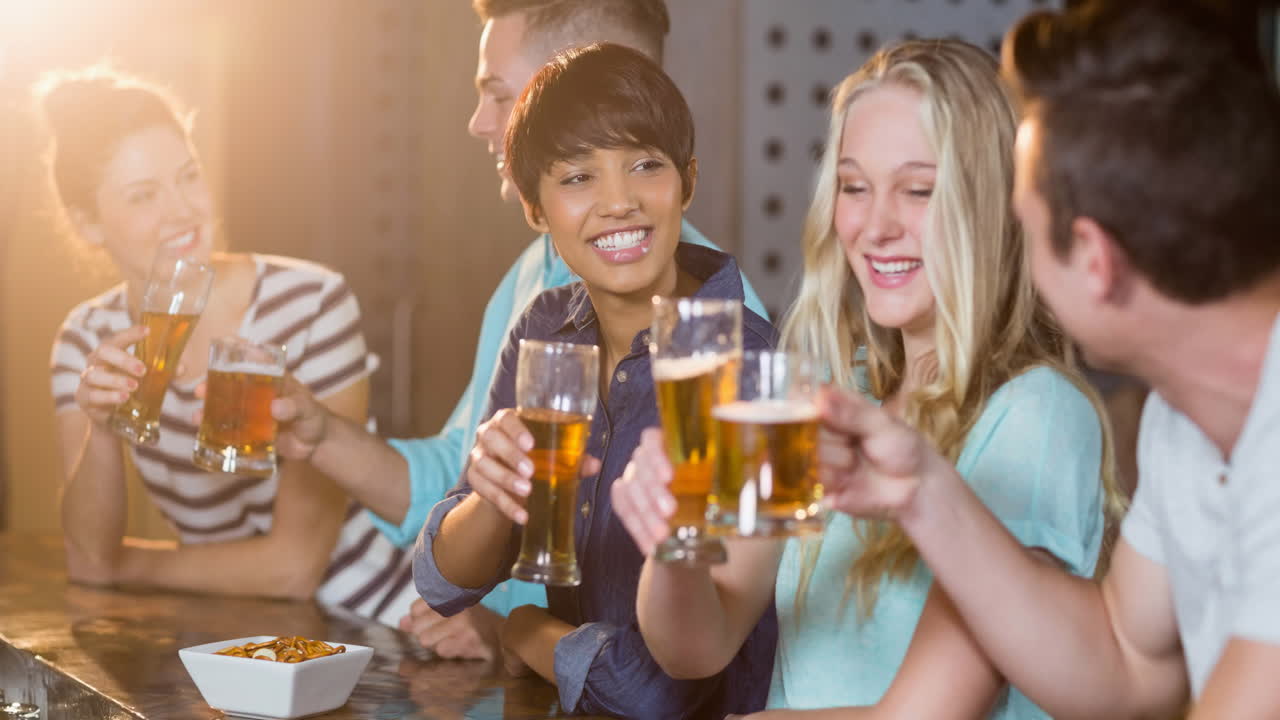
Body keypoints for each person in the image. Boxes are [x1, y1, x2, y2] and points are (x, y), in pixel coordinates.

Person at [611, 38, 1124, 718]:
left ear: (996, 207)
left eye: (917, 190)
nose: (876, 226)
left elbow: (926, 715)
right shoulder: (835, 392)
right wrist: (674, 542)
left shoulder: (1036, 415)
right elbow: (698, 645)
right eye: (854, 187)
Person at [811, 2, 1280, 717]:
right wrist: (923, 492)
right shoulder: (1182, 421)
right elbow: (1125, 663)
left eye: (1022, 224)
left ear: (1093, 260)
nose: (1006, 251)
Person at [261, 0, 767, 660]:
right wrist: (324, 433)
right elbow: (468, 477)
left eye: (500, 95)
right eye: (579, 174)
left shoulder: (728, 349)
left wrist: (517, 631)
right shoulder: (545, 299)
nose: (478, 123)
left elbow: (694, 659)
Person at [413, 43, 777, 717]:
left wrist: (521, 630)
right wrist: (492, 497)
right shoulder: (545, 328)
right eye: (577, 178)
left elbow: (661, 692)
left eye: (646, 165)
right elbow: (442, 583)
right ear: (535, 209)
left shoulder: (746, 371)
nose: (619, 202)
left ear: (687, 181)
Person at [42, 67, 413, 623]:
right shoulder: (85, 339)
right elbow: (90, 551)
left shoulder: (310, 300)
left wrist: (128, 567)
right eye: (144, 196)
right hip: (239, 634)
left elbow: (293, 568)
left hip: (388, 621)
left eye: (188, 177)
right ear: (88, 224)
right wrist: (101, 428)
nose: (182, 210)